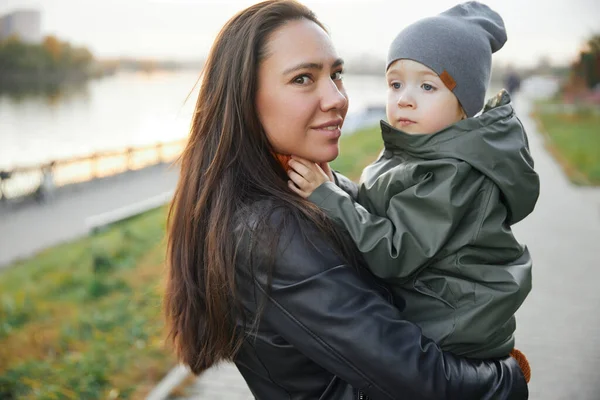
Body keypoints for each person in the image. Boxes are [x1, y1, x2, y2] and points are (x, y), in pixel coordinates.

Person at [164, 1, 529, 399]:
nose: (337, 98)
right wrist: (508, 377)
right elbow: (423, 381)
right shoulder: (269, 230)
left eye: (337, 75)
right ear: (244, 98)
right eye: (303, 78)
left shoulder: (301, 185)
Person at [287, 0, 538, 376]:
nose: (404, 97)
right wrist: (335, 185)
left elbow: (394, 251)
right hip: (436, 309)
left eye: (427, 85)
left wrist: (328, 198)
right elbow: (381, 208)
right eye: (395, 83)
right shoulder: (420, 151)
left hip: (456, 325)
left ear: (464, 105)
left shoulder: (452, 173)